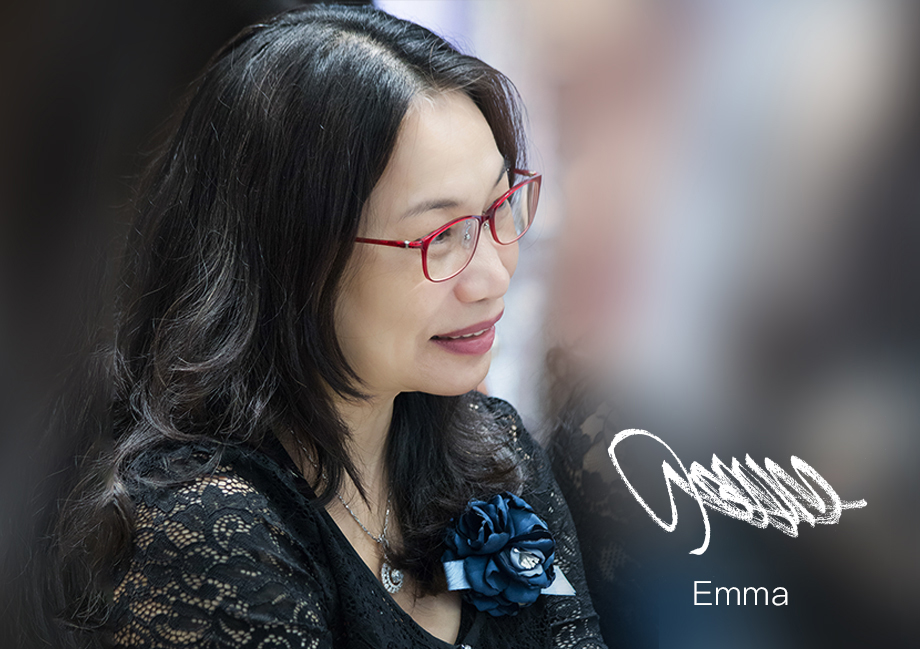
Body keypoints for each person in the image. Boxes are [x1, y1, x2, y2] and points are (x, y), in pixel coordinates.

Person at [51, 5, 606, 649]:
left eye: (500, 207)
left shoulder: (492, 450)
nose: (492, 275)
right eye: (440, 234)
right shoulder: (208, 526)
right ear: (295, 257)